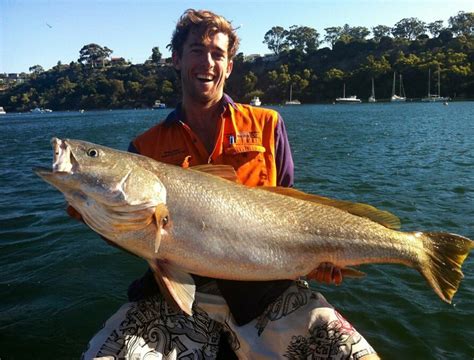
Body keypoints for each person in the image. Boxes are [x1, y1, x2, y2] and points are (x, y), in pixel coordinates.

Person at [81, 9, 379, 360]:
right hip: (173, 296)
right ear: (176, 59)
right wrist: (93, 211)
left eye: (218, 54)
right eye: (196, 50)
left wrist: (315, 260)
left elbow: (294, 209)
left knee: (351, 355)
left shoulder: (268, 124)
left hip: (270, 292)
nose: (207, 62)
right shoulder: (145, 148)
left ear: (230, 65)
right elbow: (135, 232)